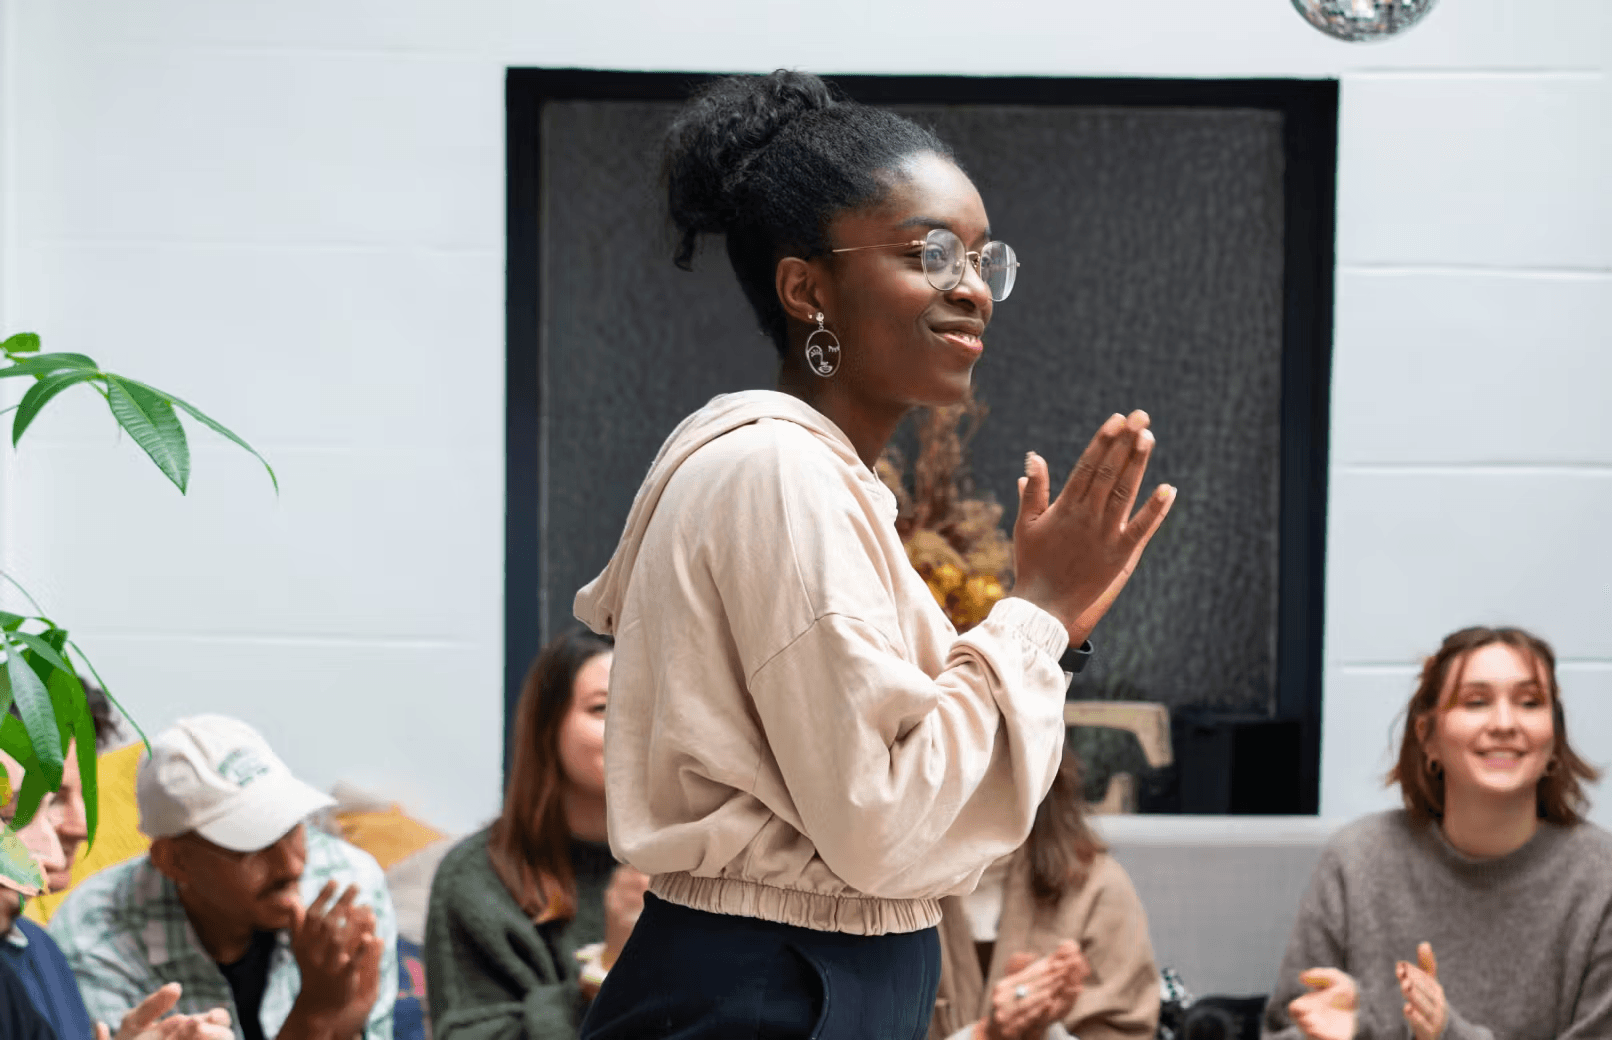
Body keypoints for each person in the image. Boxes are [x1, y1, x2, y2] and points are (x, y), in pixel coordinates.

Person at [571, 70, 1176, 1039]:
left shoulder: (819, 477)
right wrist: (1033, 614)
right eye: (928, 252)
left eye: (984, 258)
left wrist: (1054, 629)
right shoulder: (776, 471)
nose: (971, 285)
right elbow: (883, 823)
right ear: (806, 286)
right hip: (768, 989)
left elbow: (916, 814)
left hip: (804, 978)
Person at [1263, 625, 1612, 1040]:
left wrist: (1442, 1033)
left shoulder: (1601, 879)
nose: (1504, 723)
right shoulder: (1357, 860)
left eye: (1530, 703)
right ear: (1427, 737)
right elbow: (1283, 1031)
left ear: (1552, 739)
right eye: (1476, 702)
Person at [49, 714, 398, 1040]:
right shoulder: (93, 939)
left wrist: (345, 1021)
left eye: (292, 827)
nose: (291, 865)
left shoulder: (348, 882)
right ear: (174, 861)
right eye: (254, 843)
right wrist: (317, 1015)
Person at [424, 628, 649, 1039]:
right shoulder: (476, 880)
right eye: (602, 708)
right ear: (548, 726)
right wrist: (607, 969)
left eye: (646, 707)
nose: (629, 726)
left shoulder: (697, 862)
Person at [2, 709, 231, 1040]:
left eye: (86, 796)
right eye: (43, 800)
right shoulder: (81, 938)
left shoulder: (43, 952)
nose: (81, 826)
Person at [930, 752, 1159, 1040]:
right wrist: (983, 1036)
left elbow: (1124, 1031)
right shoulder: (876, 900)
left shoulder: (1098, 888)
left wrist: (1045, 1031)